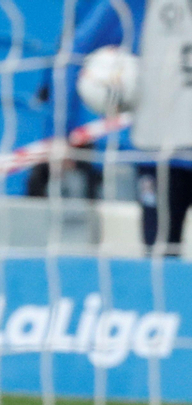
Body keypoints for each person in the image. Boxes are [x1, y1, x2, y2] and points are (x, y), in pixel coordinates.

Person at [54, 0, 192, 252]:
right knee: (160, 257)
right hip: (160, 155)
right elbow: (73, 53)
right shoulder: (134, 5)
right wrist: (60, 133)